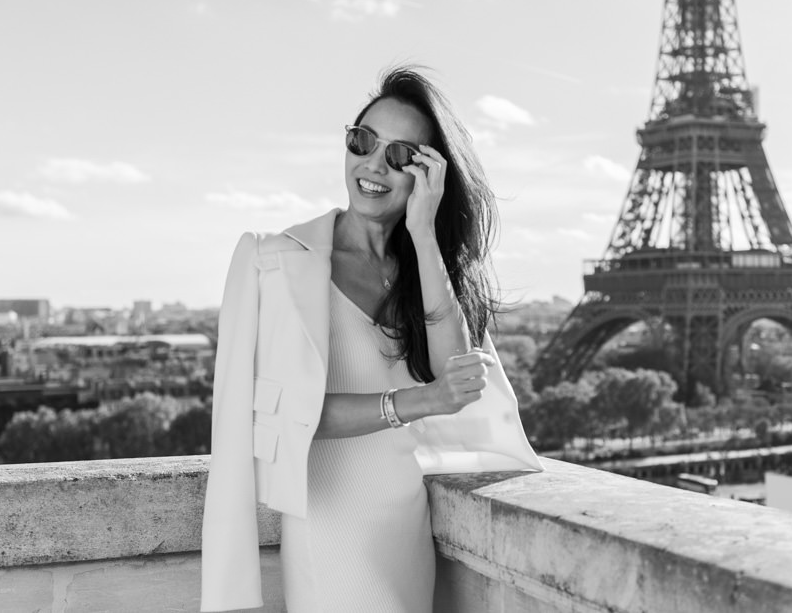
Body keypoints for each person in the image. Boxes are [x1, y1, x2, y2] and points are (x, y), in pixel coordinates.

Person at [200, 66, 542, 612]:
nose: (373, 164)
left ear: (430, 174)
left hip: (406, 520)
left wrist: (425, 235)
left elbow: (456, 377)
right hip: (329, 523)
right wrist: (417, 402)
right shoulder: (273, 262)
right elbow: (279, 413)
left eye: (401, 155)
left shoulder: (425, 275)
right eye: (362, 142)